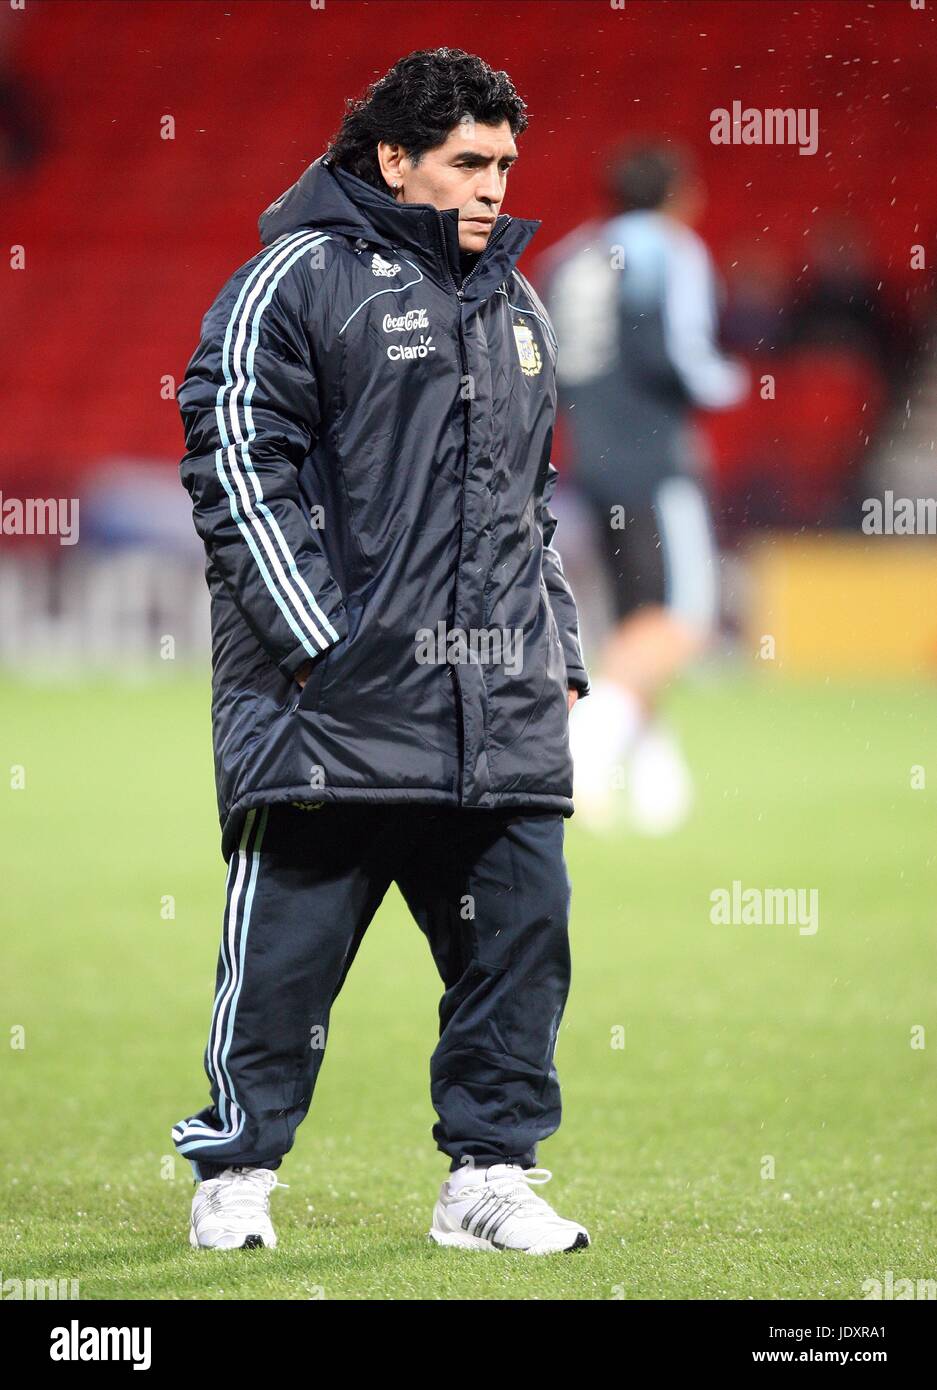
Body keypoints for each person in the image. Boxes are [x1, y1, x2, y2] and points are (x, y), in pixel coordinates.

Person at [171, 48, 591, 1255]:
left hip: (498, 706)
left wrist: (554, 651)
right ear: (392, 157)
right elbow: (238, 460)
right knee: (288, 960)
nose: (492, 185)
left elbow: (528, 503)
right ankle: (236, 1171)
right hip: (337, 707)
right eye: (467, 161)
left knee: (520, 944)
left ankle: (490, 1177)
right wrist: (318, 643)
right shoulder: (295, 279)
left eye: (505, 163)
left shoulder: (516, 304)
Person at [541, 142, 748, 832]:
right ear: (676, 194)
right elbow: (681, 356)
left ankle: (655, 779)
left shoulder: (571, 255)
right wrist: (733, 381)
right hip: (653, 458)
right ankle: (582, 747)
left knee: (636, 618)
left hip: (589, 457)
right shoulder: (668, 249)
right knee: (684, 618)